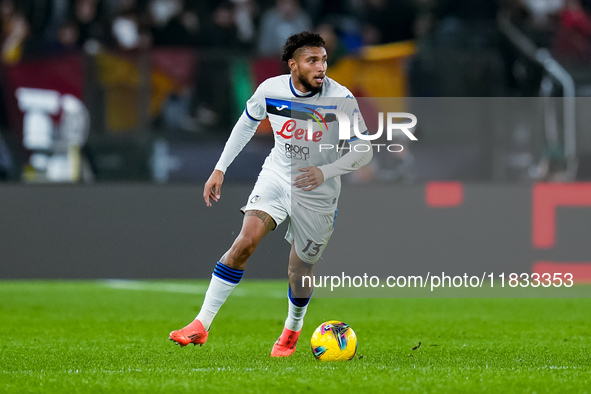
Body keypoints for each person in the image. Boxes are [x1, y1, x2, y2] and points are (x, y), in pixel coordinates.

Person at [169, 31, 373, 357]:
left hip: (318, 190)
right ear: (293, 65)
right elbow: (246, 124)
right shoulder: (271, 90)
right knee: (244, 243)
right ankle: (201, 324)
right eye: (312, 60)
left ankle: (292, 329)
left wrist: (326, 171)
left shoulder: (341, 98)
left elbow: (364, 150)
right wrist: (220, 168)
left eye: (324, 60)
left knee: (299, 270)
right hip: (277, 176)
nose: (321, 67)